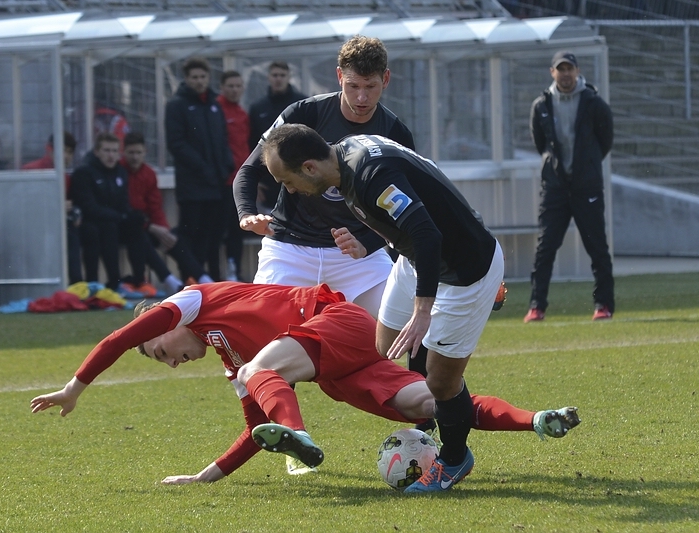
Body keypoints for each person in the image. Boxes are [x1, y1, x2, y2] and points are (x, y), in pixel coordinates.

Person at [30, 281, 581, 485]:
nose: (170, 362)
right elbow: (255, 430)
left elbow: (120, 337)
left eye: (160, 353)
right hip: (341, 367)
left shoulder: (193, 301)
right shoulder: (233, 359)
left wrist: (75, 386)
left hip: (335, 322)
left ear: (163, 325)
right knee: (429, 403)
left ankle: (302, 437)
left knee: (259, 373)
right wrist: (205, 476)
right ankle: (537, 419)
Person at [262, 125, 506, 493]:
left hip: (463, 271)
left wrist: (423, 311)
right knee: (385, 344)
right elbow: (413, 198)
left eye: (287, 181)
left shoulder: (371, 175)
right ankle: (436, 405)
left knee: (440, 381)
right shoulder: (345, 158)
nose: (290, 190)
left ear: (309, 167)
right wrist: (371, 243)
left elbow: (427, 234)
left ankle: (455, 458)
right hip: (417, 260)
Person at [235, 36, 427, 474]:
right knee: (258, 350)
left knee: (410, 330)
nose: (361, 98)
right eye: (353, 86)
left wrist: (369, 244)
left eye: (371, 87)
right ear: (339, 77)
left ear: (386, 81)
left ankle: (426, 426)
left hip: (359, 258)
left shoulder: (395, 133)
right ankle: (292, 439)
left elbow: (408, 212)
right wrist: (247, 214)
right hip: (290, 249)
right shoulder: (304, 115)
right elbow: (248, 170)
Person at [525, 51, 615, 323]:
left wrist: (586, 165)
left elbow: (605, 140)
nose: (565, 74)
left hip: (586, 187)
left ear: (577, 71)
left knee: (597, 246)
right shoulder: (541, 105)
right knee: (545, 248)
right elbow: (540, 143)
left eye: (569, 69)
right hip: (555, 188)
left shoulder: (594, 103)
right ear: (552, 72)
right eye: (560, 69)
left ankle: (603, 304)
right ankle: (537, 306)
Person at [165, 57, 234, 281]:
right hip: (192, 185)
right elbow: (177, 144)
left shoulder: (214, 105)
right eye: (194, 77)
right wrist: (203, 168)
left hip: (215, 184)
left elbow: (222, 139)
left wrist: (226, 165)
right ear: (186, 79)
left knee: (210, 234)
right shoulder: (177, 105)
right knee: (190, 233)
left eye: (203, 76)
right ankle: (190, 278)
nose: (199, 81)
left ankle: (208, 280)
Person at [121, 132, 214, 293]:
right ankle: (170, 281)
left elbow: (155, 206)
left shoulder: (149, 174)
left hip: (145, 224)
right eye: (131, 153)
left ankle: (202, 279)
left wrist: (163, 230)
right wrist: (151, 227)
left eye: (138, 152)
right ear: (124, 152)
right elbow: (124, 208)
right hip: (127, 226)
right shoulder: (120, 172)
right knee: (142, 237)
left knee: (174, 238)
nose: (135, 157)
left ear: (145, 152)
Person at [70, 132, 150, 291]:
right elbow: (89, 207)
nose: (111, 155)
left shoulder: (120, 172)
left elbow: (123, 203)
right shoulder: (84, 172)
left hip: (113, 221)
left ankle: (138, 281)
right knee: (100, 230)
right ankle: (95, 283)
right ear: (97, 152)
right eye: (106, 150)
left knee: (137, 228)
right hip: (88, 223)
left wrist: (130, 216)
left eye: (114, 151)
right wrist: (120, 216)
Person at [22, 132, 83, 285]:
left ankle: (77, 283)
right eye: (63, 150)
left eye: (70, 152)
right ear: (49, 149)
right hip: (34, 226)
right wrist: (57, 205)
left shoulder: (65, 177)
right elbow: (26, 204)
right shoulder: (31, 171)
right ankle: (76, 282)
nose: (66, 156)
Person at [247, 60, 308, 212]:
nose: (278, 79)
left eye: (282, 75)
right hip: (269, 176)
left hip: (299, 172)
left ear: (289, 77)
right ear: (268, 77)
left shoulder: (302, 104)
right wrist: (256, 179)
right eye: (275, 75)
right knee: (272, 217)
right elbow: (253, 143)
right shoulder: (258, 108)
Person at [216, 70, 253, 282]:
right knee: (217, 230)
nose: (234, 90)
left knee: (237, 228)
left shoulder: (242, 113)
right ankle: (213, 274)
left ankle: (234, 270)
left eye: (238, 86)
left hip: (239, 180)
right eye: (230, 86)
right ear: (222, 87)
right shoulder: (216, 110)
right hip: (223, 181)